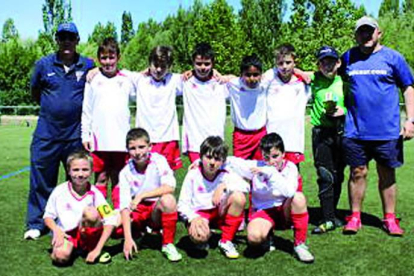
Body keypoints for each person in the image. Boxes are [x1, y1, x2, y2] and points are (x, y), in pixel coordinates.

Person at [340, 16, 414, 236]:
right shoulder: (347, 58)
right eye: (361, 31)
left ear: (378, 33)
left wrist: (411, 119)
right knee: (357, 173)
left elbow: (408, 88)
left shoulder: (393, 57)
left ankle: (390, 219)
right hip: (355, 131)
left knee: (387, 175)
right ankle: (354, 217)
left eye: (369, 31)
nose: (366, 35)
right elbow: (327, 75)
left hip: (387, 131)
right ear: (356, 35)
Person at [25, 22, 94, 240]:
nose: (66, 41)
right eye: (62, 37)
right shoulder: (43, 64)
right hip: (47, 135)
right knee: (41, 181)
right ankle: (36, 223)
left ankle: (76, 220)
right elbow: (36, 92)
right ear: (57, 40)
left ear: (77, 40)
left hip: (75, 136)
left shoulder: (88, 65)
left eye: (70, 37)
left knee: (78, 181)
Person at [226, 133, 314, 263]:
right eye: (266, 157)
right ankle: (267, 236)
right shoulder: (258, 166)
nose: (271, 162)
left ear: (283, 153)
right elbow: (232, 161)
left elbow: (289, 192)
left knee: (298, 198)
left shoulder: (290, 168)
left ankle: (299, 245)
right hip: (264, 212)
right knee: (254, 238)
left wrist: (271, 173)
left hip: (285, 211)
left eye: (275, 156)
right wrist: (200, 162)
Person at [117, 128, 182, 262]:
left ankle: (167, 244)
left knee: (169, 200)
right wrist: (127, 239)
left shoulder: (159, 160)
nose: (137, 152)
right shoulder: (124, 172)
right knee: (115, 222)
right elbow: (124, 206)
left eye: (141, 147)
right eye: (132, 148)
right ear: (127, 150)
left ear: (150, 146)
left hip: (154, 210)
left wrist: (142, 196)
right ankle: (136, 234)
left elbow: (170, 187)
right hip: (138, 209)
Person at [178, 136, 248, 259]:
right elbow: (182, 204)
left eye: (217, 159)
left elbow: (246, 186)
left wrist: (224, 186)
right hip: (200, 214)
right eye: (208, 157)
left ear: (223, 161)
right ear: (201, 157)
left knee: (239, 197)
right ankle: (205, 236)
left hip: (219, 211)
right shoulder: (193, 174)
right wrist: (193, 218)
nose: (212, 162)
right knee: (199, 236)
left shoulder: (225, 173)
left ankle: (226, 241)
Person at [81, 37, 134, 200]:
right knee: (101, 178)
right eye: (103, 58)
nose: (108, 62)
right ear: (99, 59)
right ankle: (102, 216)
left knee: (119, 179)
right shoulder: (92, 79)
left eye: (111, 57)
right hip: (99, 139)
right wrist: (85, 135)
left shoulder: (127, 79)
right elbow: (87, 110)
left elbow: (150, 76)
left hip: (121, 140)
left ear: (118, 57)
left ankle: (119, 216)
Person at [43, 150, 118, 265]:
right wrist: (56, 230)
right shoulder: (59, 191)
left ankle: (90, 247)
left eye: (85, 169)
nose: (80, 174)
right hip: (67, 234)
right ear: (68, 171)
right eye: (76, 170)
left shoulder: (95, 193)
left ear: (92, 171)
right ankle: (71, 248)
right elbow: (48, 216)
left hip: (87, 233)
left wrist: (98, 249)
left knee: (91, 213)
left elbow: (110, 220)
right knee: (61, 257)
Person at [309, 46, 347, 234]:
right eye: (323, 61)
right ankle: (327, 218)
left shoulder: (345, 81)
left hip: (341, 133)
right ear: (318, 64)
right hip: (321, 133)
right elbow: (291, 69)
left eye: (331, 61)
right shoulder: (314, 79)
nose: (327, 65)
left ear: (338, 63)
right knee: (325, 175)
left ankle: (332, 215)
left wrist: (343, 112)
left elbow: (356, 105)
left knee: (338, 175)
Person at [262, 44, 311, 192]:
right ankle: (272, 212)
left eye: (288, 62)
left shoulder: (302, 83)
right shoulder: (269, 80)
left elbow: (323, 73)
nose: (284, 66)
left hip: (293, 142)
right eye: (280, 63)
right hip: (272, 141)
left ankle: (295, 213)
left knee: (293, 181)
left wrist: (300, 72)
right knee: (271, 180)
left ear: (294, 61)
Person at [133, 46, 183, 170]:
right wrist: (96, 70)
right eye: (155, 65)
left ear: (169, 66)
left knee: (167, 180)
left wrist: (215, 73)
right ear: (149, 63)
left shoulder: (175, 80)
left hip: (168, 139)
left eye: (163, 66)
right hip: (144, 139)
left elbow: (198, 77)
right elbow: (115, 74)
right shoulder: (138, 80)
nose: (159, 69)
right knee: (145, 179)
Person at [181, 43, 227, 163]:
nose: (202, 67)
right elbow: (161, 76)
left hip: (216, 141)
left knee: (216, 177)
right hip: (194, 142)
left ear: (213, 64)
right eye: (198, 63)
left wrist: (225, 76)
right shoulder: (186, 82)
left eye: (207, 64)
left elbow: (241, 81)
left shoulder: (220, 83)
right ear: (193, 63)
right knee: (198, 176)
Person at [225, 54, 267, 160]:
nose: (252, 78)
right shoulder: (233, 84)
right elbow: (214, 77)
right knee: (239, 170)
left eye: (255, 74)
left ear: (261, 75)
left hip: (260, 135)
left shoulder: (266, 83)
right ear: (241, 75)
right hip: (241, 137)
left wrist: (300, 73)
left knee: (261, 170)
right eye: (248, 75)